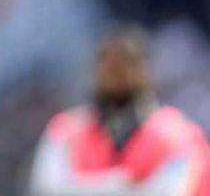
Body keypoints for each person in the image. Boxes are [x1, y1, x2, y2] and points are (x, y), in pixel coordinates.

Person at [29, 25, 210, 195]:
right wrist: (120, 184)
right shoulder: (68, 130)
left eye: (125, 61)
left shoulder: (177, 134)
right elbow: (46, 188)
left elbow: (172, 191)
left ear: (146, 69)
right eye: (106, 60)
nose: (115, 70)